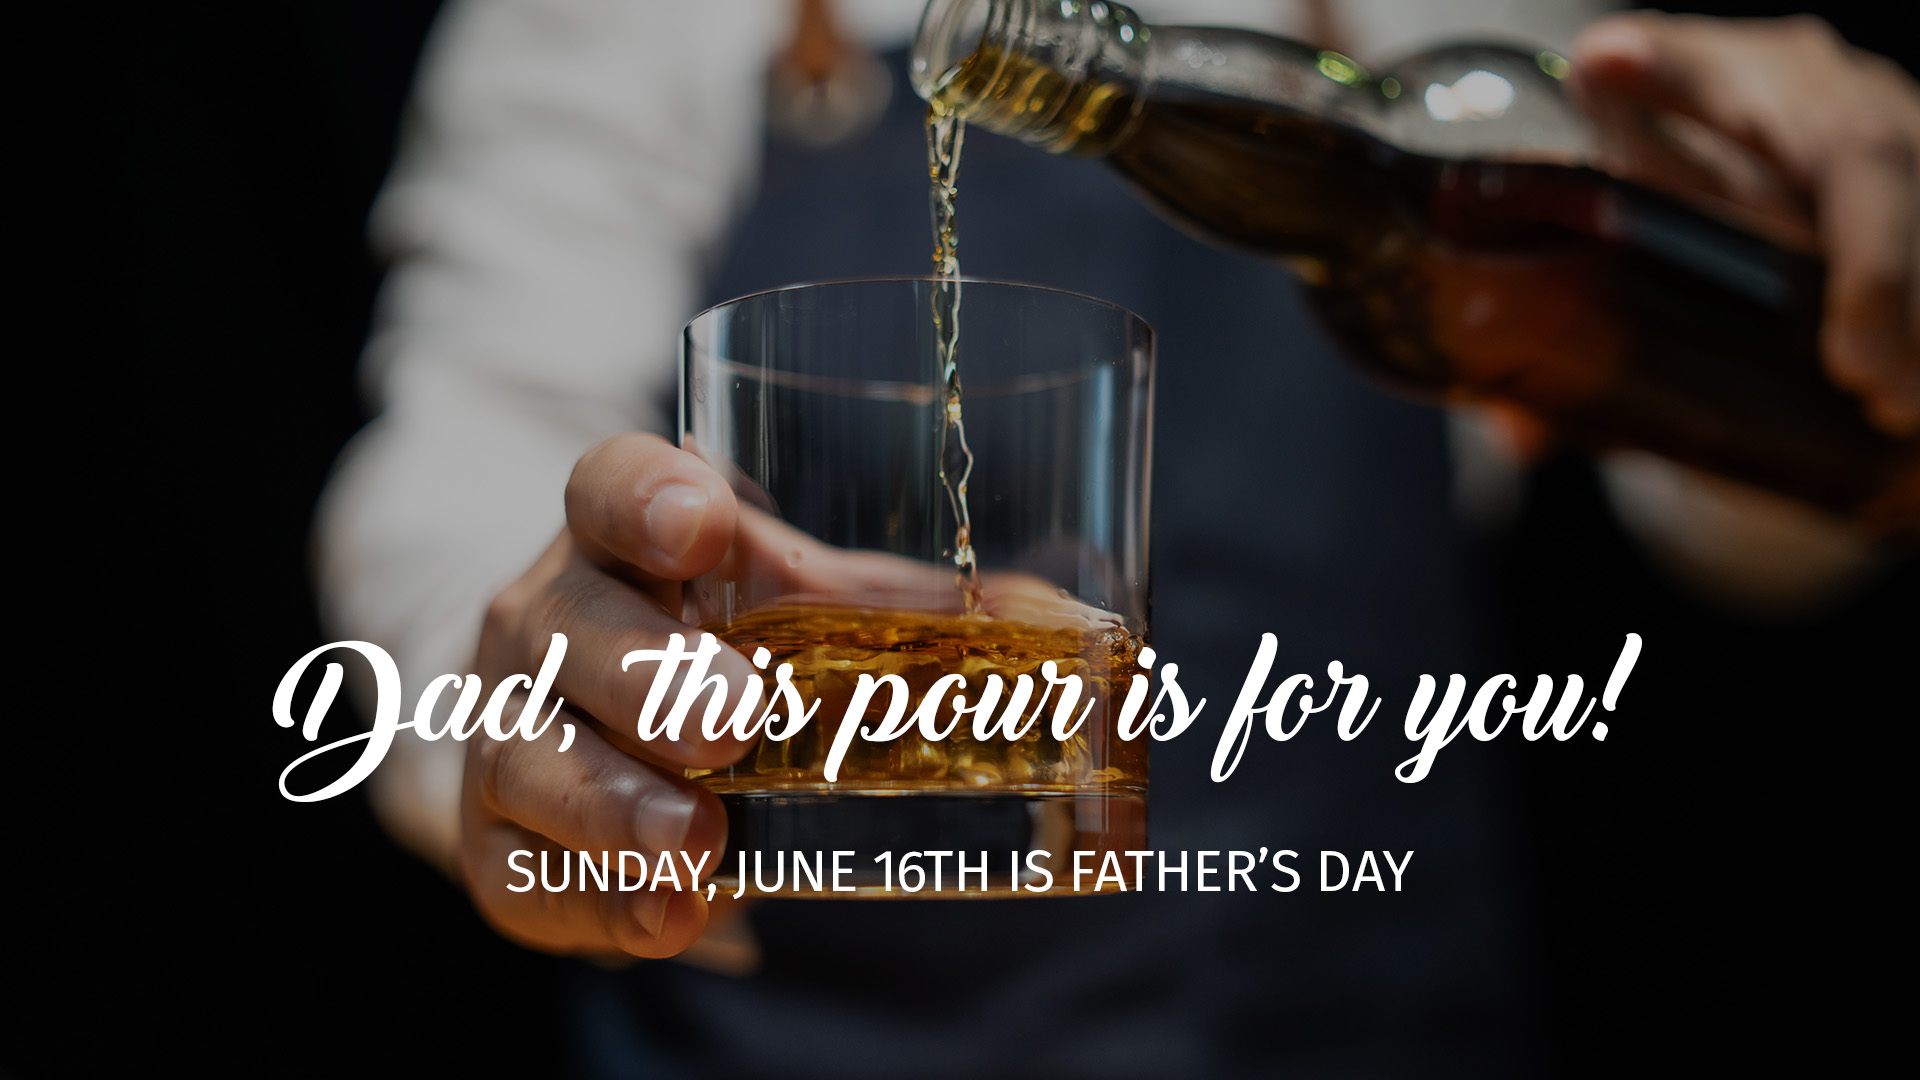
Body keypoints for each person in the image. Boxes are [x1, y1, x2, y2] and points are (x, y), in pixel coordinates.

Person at [316, 0, 1918, 1071]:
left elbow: (1741, 521)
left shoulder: (1443, 40)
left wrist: (1843, 293)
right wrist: (527, 681)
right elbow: (455, 479)